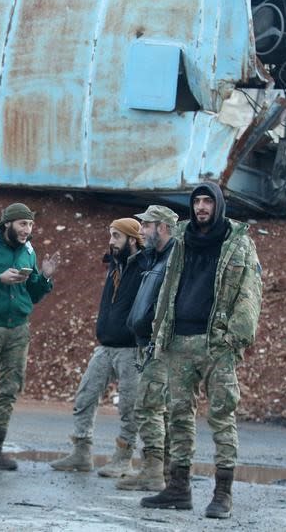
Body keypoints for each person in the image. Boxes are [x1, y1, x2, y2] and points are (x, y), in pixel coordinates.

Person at [140, 182, 262, 519]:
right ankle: (178, 487)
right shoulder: (182, 239)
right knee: (178, 415)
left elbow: (250, 295)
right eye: (197, 202)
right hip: (179, 340)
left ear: (218, 205)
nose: (202, 208)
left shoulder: (237, 243)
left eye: (208, 202)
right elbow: (168, 287)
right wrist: (159, 330)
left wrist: (233, 339)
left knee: (221, 416)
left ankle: (223, 493)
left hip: (215, 344)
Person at [0, 202, 61, 475]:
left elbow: (33, 295)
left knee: (10, 389)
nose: (27, 230)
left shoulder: (28, 250)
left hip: (19, 329)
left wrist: (45, 278)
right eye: (22, 224)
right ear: (7, 224)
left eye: (30, 225)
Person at [50, 218, 145, 477]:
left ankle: (123, 458)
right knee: (85, 396)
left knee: (129, 405)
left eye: (116, 236)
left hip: (131, 349)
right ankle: (81, 453)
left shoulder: (146, 267)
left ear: (132, 240)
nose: (111, 241)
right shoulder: (114, 265)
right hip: (105, 345)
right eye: (111, 235)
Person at [116, 205, 179, 491]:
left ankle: (153, 471)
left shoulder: (174, 260)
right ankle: (161, 469)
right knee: (157, 408)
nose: (141, 231)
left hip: (159, 345)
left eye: (147, 225)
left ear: (162, 228)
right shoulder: (154, 258)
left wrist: (157, 337)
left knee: (149, 407)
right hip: (146, 342)